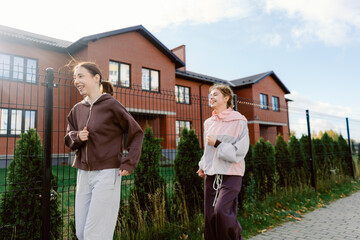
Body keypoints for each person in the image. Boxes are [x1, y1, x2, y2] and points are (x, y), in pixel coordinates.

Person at [64, 61, 144, 240]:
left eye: (80, 76)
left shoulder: (111, 105)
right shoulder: (77, 109)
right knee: (81, 232)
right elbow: (68, 137)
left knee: (96, 233)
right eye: (74, 77)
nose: (76, 81)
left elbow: (136, 132)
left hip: (107, 173)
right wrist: (77, 136)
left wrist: (129, 161)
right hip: (83, 173)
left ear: (96, 78)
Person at [197, 84, 249, 240]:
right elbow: (208, 150)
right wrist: (202, 166)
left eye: (215, 95)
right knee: (210, 216)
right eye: (210, 95)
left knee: (222, 212)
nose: (211, 97)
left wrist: (218, 143)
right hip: (211, 175)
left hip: (231, 174)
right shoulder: (208, 123)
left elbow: (240, 151)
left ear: (226, 98)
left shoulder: (239, 121)